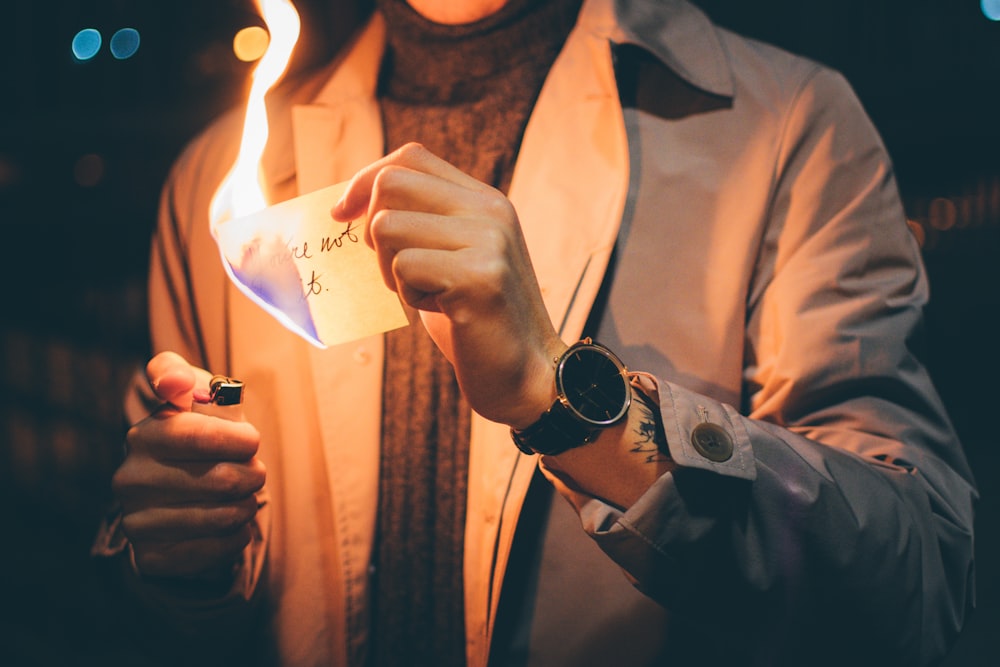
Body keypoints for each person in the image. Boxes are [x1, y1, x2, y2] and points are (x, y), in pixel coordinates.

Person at [92, 0, 978, 665]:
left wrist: (564, 394)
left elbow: (917, 595)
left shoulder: (788, 127)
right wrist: (186, 563)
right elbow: (171, 616)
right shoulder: (223, 187)